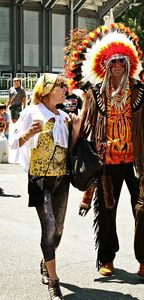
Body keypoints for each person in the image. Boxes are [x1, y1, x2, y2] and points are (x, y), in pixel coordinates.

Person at [66, 22, 144, 282]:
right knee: (105, 211)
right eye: (113, 61)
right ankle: (106, 258)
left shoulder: (143, 92)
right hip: (107, 163)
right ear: (105, 64)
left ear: (129, 64)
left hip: (137, 162)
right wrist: (74, 149)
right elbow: (86, 126)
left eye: (122, 61)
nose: (118, 65)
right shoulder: (94, 95)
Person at [10, 73, 81, 300]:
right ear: (49, 89)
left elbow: (70, 147)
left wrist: (76, 129)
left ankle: (45, 261)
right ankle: (53, 281)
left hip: (62, 180)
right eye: (61, 86)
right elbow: (14, 141)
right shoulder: (32, 112)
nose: (65, 89)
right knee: (49, 227)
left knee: (58, 231)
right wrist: (30, 133)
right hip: (41, 179)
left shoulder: (63, 116)